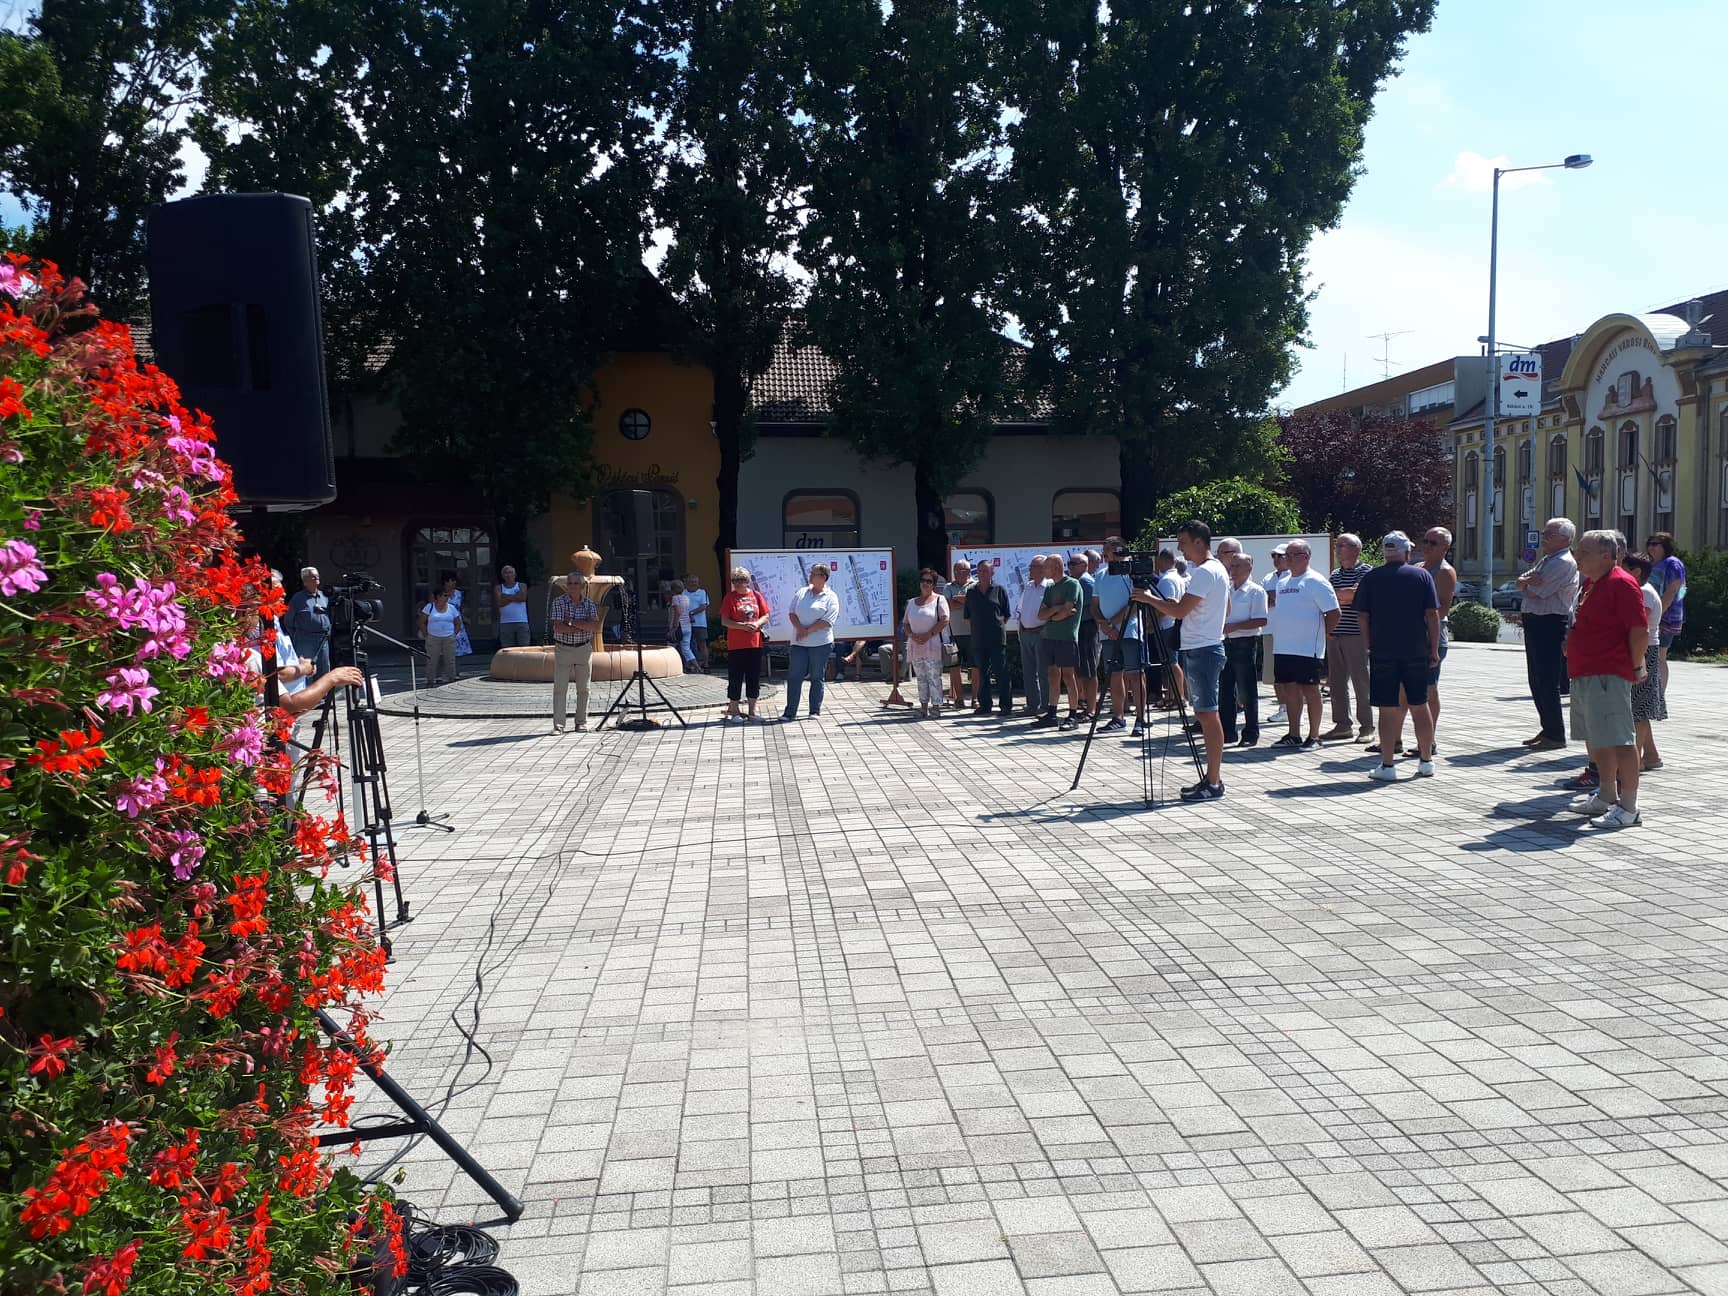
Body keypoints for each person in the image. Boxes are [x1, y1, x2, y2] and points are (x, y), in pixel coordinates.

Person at [1134, 520, 1230, 801]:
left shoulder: (1205, 572)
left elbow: (1179, 612)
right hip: (1203, 646)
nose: (1180, 549)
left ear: (1199, 542)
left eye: (1183, 543)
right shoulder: (1216, 569)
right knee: (1204, 714)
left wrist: (1148, 599)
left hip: (1203, 648)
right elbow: (1224, 608)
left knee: (1208, 715)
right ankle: (1211, 778)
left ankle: (1214, 782)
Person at [1562, 530, 1649, 829]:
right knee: (1597, 738)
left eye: (1584, 552)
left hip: (1607, 674)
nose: (1577, 557)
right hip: (1585, 672)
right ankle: (1606, 794)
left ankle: (1629, 807)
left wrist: (1636, 666)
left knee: (1620, 740)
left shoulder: (1621, 583)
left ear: (1606, 556)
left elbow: (1639, 631)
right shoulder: (1591, 583)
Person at [1352, 532, 1439, 781]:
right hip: (1416, 649)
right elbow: (1432, 614)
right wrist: (1433, 649)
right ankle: (1426, 761)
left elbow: (1362, 615)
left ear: (1385, 552)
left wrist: (1369, 644)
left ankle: (1388, 765)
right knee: (1420, 705)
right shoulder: (1422, 576)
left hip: (1383, 650)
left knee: (1387, 708)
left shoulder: (1372, 577)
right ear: (1407, 552)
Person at [1265, 539, 1339, 749]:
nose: (1286, 559)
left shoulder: (1316, 581)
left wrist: (1322, 633)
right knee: (1290, 690)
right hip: (1283, 646)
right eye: (1285, 555)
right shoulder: (1282, 582)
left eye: (1292, 555)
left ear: (1305, 557)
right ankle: (1293, 734)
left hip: (1307, 648)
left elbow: (1334, 613)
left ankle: (1314, 736)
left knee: (1311, 691)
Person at [1516, 517, 1581, 750]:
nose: (1544, 537)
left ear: (1565, 539)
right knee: (1535, 679)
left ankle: (1555, 734)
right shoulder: (1547, 559)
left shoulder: (1563, 562)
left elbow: (1535, 592)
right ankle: (1547, 728)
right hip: (1536, 621)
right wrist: (1526, 582)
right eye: (1544, 533)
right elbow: (1520, 582)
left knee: (1547, 680)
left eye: (1549, 534)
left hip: (1550, 622)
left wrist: (1527, 584)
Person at [1093, 538, 1147, 737]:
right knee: (1114, 675)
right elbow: (1094, 604)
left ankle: (1141, 719)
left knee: (1135, 674)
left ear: (1118, 550)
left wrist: (1113, 623)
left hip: (1130, 630)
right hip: (1108, 633)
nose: (1105, 554)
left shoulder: (1132, 572)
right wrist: (1104, 624)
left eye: (1108, 550)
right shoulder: (1101, 574)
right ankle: (1118, 717)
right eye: (1104, 550)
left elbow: (1136, 602)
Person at [1323, 534, 1373, 740]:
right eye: (1337, 545)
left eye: (1342, 545)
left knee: (1361, 682)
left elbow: (1354, 596)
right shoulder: (1335, 574)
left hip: (1356, 634)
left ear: (1355, 549)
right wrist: (1343, 596)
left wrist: (1344, 595)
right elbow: (1327, 600)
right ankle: (1342, 725)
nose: (1337, 549)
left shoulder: (1366, 571)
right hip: (1334, 634)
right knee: (1336, 682)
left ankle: (1367, 727)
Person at [1621, 551, 1667, 771]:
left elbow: (1639, 625)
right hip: (1638, 649)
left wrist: (1637, 661)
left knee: (1638, 710)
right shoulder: (1638, 590)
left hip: (1644, 650)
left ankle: (1635, 760)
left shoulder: (1644, 592)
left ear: (1636, 572)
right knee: (1639, 707)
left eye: (1624, 569)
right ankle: (1651, 755)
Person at [781, 562, 840, 721]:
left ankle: (814, 710)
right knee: (794, 677)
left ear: (823, 577)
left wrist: (807, 631)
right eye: (811, 573)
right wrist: (800, 629)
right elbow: (792, 613)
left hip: (820, 643)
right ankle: (789, 712)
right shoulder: (802, 592)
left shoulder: (831, 596)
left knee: (816, 676)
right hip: (798, 643)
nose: (810, 576)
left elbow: (827, 621)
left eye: (814, 573)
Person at [1220, 553, 1267, 747]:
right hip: (1226, 643)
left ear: (1249, 568)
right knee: (1225, 690)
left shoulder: (1256, 591)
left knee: (1247, 691)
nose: (1233, 570)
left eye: (1238, 566)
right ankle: (1227, 732)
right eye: (1232, 566)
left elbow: (1261, 619)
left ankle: (1250, 733)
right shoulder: (1227, 589)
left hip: (1245, 643)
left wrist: (1235, 626)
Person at [1418, 527, 1458, 745]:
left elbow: (1442, 609)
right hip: (1413, 636)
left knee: (1429, 689)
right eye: (1425, 541)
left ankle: (1428, 741)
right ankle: (1395, 739)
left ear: (1445, 548)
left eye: (1432, 543)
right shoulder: (1417, 568)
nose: (1427, 546)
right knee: (1405, 690)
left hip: (1432, 638)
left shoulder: (1444, 572)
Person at [1036, 554, 1085, 730]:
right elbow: (1041, 614)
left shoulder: (1072, 584)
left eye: (1046, 567)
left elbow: (1068, 610)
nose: (1043, 570)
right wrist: (1056, 610)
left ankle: (1072, 715)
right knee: (1052, 675)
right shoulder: (1050, 587)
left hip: (1066, 637)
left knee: (1068, 676)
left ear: (1056, 567)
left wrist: (1053, 615)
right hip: (1050, 637)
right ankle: (1052, 713)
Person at [548, 574, 600, 733]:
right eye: (569, 583)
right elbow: (558, 628)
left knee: (584, 688)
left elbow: (595, 627)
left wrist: (570, 621)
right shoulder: (558, 602)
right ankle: (559, 725)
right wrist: (583, 625)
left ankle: (581, 722)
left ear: (583, 586)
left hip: (583, 648)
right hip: (563, 648)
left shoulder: (589, 604)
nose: (572, 586)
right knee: (560, 688)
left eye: (576, 583)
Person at [720, 567, 769, 722]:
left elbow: (765, 615)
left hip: (754, 643)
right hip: (736, 644)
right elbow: (724, 621)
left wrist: (757, 624)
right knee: (735, 677)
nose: (737, 583)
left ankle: (752, 711)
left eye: (740, 580)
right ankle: (734, 711)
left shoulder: (756, 595)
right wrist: (742, 626)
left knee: (753, 677)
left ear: (747, 581)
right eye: (734, 580)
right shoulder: (730, 597)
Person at [965, 560, 1012, 715]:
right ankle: (985, 705)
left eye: (985, 571)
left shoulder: (1000, 590)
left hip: (997, 639)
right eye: (979, 571)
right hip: (978, 640)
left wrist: (996, 627)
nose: (982, 574)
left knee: (1001, 673)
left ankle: (1005, 706)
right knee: (982, 674)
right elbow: (968, 616)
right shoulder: (971, 592)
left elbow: (1006, 615)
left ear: (992, 572)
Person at [902, 569, 951, 717]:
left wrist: (929, 634)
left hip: (933, 645)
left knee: (934, 677)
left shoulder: (940, 599)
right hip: (916, 645)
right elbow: (905, 623)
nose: (925, 583)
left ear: (934, 584)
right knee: (921, 678)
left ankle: (936, 707)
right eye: (923, 580)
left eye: (929, 581)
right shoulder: (911, 602)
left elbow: (945, 619)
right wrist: (912, 635)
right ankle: (923, 707)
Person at [1645, 532, 1685, 690]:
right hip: (1653, 614)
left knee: (1660, 655)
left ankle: (1660, 692)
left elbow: (1674, 590)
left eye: (1655, 544)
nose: (1651, 547)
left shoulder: (1672, 563)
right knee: (1651, 655)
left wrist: (1659, 613)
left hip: (1666, 617)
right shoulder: (1652, 564)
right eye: (1649, 544)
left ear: (1665, 547)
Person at [1016, 555, 1051, 716]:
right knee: (1028, 671)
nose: (1029, 569)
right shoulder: (1028, 586)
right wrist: (1021, 628)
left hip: (1041, 634)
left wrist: (1045, 629)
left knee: (1043, 672)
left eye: (1033, 566)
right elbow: (1020, 608)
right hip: (1026, 633)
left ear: (1043, 569)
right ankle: (1032, 704)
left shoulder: (1049, 587)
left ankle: (1045, 705)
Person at [1151, 548, 1186, 708]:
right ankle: (1172, 696)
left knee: (1172, 662)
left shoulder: (1167, 580)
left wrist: (1151, 623)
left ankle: (1179, 697)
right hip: (1173, 624)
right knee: (1170, 663)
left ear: (1161, 560)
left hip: (1167, 625)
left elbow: (1165, 606)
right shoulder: (1177, 577)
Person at [1068, 552, 1099, 720]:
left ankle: (1091, 709)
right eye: (1069, 563)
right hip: (1081, 628)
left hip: (1088, 628)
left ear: (1084, 565)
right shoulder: (1077, 581)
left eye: (1073, 564)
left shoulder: (1086, 582)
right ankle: (1086, 704)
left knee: (1090, 670)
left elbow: (1087, 606)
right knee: (1083, 669)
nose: (1069, 567)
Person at [287, 566, 332, 679]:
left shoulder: (324, 596)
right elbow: (288, 621)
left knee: (324, 671)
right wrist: (298, 636)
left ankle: (324, 691)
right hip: (305, 640)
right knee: (307, 672)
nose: (317, 578)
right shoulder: (298, 598)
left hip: (323, 639)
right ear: (305, 581)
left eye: (317, 575)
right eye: (313, 576)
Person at [1264, 544, 1290, 726]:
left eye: (1280, 556)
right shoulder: (1268, 578)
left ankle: (1293, 709)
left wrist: (1275, 596)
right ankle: (1283, 709)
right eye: (1274, 556)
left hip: (1289, 632)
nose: (1276, 559)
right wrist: (1271, 597)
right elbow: (1262, 600)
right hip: (1270, 630)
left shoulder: (1294, 577)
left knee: (1290, 674)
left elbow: (1287, 600)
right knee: (1274, 674)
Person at [943, 560, 974, 708]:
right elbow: (947, 605)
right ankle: (959, 699)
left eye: (961, 570)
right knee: (954, 667)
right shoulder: (948, 587)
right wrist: (967, 601)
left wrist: (959, 600)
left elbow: (976, 604)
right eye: (955, 570)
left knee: (975, 667)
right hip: (953, 633)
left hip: (973, 633)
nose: (957, 573)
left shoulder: (975, 585)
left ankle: (975, 699)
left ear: (968, 571)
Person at [418, 586, 464, 686]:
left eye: (448, 595)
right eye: (445, 595)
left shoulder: (451, 608)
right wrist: (426, 635)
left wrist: (454, 634)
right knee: (432, 660)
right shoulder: (429, 607)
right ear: (438, 597)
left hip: (449, 637)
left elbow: (458, 623)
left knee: (450, 660)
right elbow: (421, 622)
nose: (447, 597)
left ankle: (451, 680)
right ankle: (430, 680)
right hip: (433, 637)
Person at [496, 564, 531, 648]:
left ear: (515, 575)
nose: (508, 575)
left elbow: (522, 598)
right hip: (505, 622)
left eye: (510, 572)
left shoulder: (521, 585)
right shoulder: (499, 588)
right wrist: (515, 596)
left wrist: (505, 596)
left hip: (521, 621)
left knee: (524, 647)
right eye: (506, 573)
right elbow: (500, 603)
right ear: (502, 576)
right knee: (507, 648)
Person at [684, 573, 712, 671]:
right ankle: (688, 665)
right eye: (691, 582)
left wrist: (691, 613)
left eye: (695, 582)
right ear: (687, 583)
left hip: (700, 623)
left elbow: (703, 606)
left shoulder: (702, 592)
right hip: (686, 623)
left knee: (702, 644)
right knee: (687, 645)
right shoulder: (683, 593)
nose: (693, 584)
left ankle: (706, 664)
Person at [666, 580, 696, 670]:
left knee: (671, 646)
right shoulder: (686, 598)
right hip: (687, 626)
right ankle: (696, 666)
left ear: (672, 590)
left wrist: (674, 627)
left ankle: (672, 666)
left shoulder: (675, 598)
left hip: (680, 626)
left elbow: (678, 612)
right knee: (686, 648)